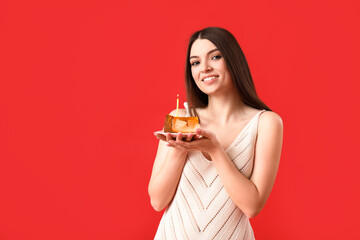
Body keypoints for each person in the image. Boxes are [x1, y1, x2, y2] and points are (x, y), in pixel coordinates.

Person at [148, 27, 283, 240]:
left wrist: (215, 150)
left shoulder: (266, 123)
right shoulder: (180, 117)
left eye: (215, 57)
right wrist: (179, 148)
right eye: (195, 62)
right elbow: (157, 201)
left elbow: (252, 206)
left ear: (233, 60)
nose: (205, 68)